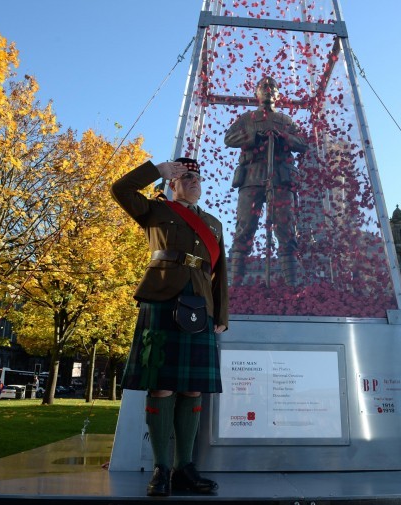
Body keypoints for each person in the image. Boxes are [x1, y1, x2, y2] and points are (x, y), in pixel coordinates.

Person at [111, 157, 228, 497]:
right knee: (161, 386)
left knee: (193, 388)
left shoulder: (213, 224)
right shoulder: (155, 211)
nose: (193, 181)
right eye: (186, 176)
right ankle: (162, 467)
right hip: (161, 300)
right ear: (172, 183)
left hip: (200, 304)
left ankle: (184, 468)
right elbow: (120, 189)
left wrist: (221, 314)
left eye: (196, 177)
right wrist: (157, 170)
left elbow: (219, 273)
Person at [224, 76, 308, 286]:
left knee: (286, 230)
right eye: (264, 87)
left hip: (280, 178)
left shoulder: (286, 121)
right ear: (257, 93)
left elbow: (302, 144)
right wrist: (255, 137)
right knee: (244, 228)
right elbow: (229, 138)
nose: (268, 90)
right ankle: (236, 285)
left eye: (273, 87)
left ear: (278, 95)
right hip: (251, 177)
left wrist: (284, 137)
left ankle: (292, 284)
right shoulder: (247, 119)